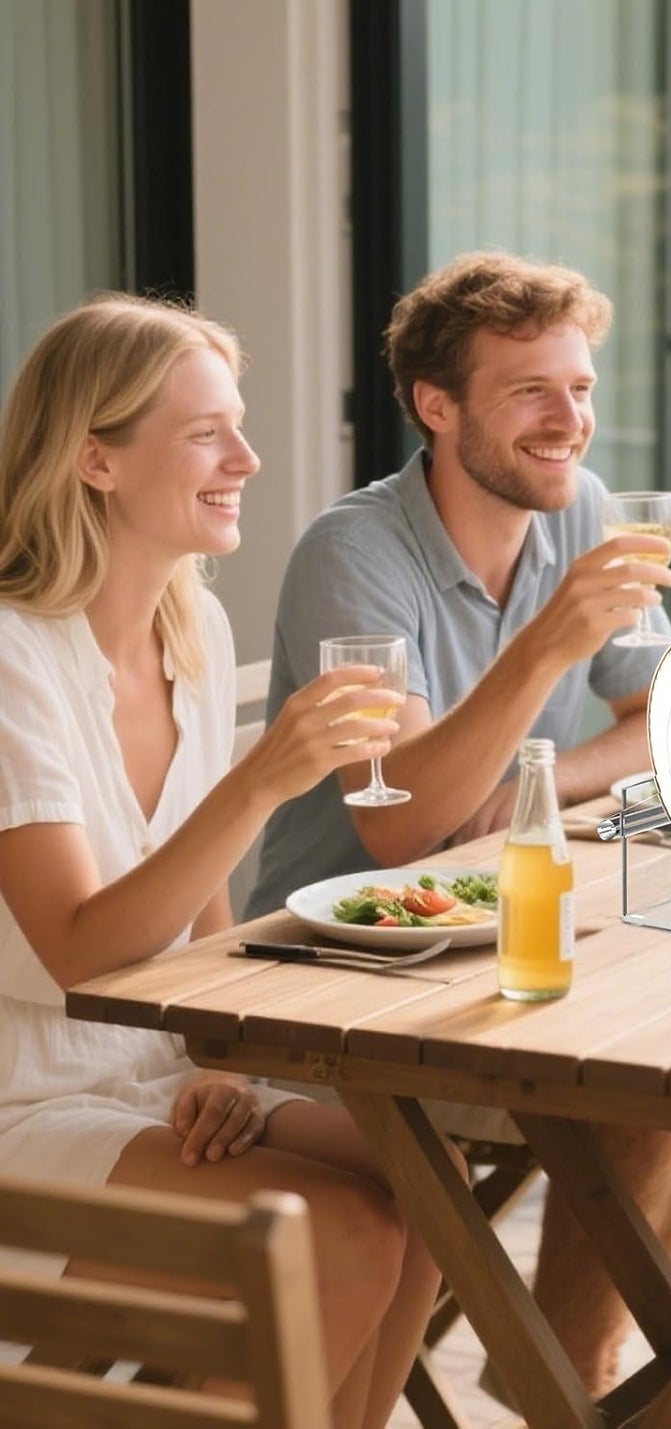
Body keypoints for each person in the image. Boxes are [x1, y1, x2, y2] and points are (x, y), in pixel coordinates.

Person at [248, 250, 671, 1395]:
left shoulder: (580, 511)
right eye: (530, 392)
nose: (569, 421)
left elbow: (660, 720)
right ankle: (571, 1377)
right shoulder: (353, 556)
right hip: (334, 986)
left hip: (494, 945)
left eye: (580, 388)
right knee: (646, 1078)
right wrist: (546, 646)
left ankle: (546, 1353)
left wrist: (534, 777)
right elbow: (400, 834)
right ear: (436, 408)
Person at [0, 295, 462, 1428]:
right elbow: (78, 947)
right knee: (335, 1238)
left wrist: (227, 1059)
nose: (248, 459)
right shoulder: (11, 657)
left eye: (238, 425)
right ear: (95, 458)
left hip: (154, 1072)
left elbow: (201, 911)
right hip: (26, 1096)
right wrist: (264, 776)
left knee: (427, 1182)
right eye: (207, 432)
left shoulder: (188, 631)